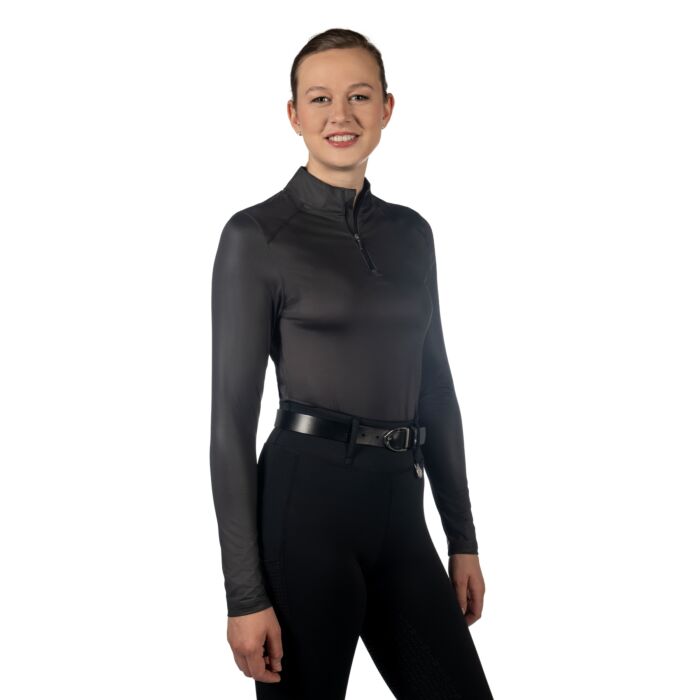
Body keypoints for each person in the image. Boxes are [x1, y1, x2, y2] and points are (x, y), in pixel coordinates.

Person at [210, 27, 494, 699]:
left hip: (400, 508)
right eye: (320, 99)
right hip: (304, 511)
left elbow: (435, 390)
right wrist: (244, 594)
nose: (341, 114)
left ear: (387, 108)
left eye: (359, 96)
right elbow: (230, 426)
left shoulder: (412, 234)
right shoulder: (257, 236)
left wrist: (462, 538)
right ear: (294, 115)